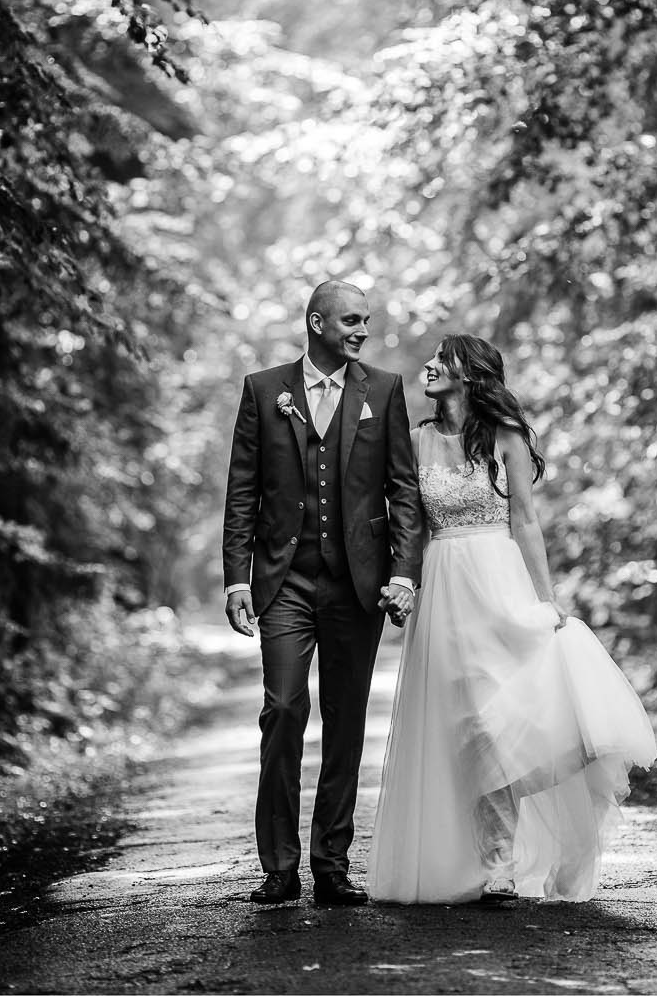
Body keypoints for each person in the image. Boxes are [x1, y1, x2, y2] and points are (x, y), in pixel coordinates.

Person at [370, 335, 656, 905]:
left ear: (470, 375)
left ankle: (501, 859)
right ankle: (475, 858)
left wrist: (546, 601)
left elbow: (525, 521)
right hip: (443, 585)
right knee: (459, 726)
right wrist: (401, 581)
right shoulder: (416, 440)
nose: (428, 367)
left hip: (498, 582)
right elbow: (405, 522)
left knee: (502, 719)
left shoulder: (506, 437)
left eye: (441, 360)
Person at [222, 279, 423, 906]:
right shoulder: (263, 390)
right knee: (283, 710)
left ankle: (331, 865)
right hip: (283, 581)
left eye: (366, 320)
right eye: (352, 321)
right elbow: (243, 491)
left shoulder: (385, 391)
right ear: (317, 324)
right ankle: (278, 865)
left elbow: (403, 491)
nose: (363, 331)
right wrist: (236, 576)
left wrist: (402, 571)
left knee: (346, 721)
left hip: (356, 583)